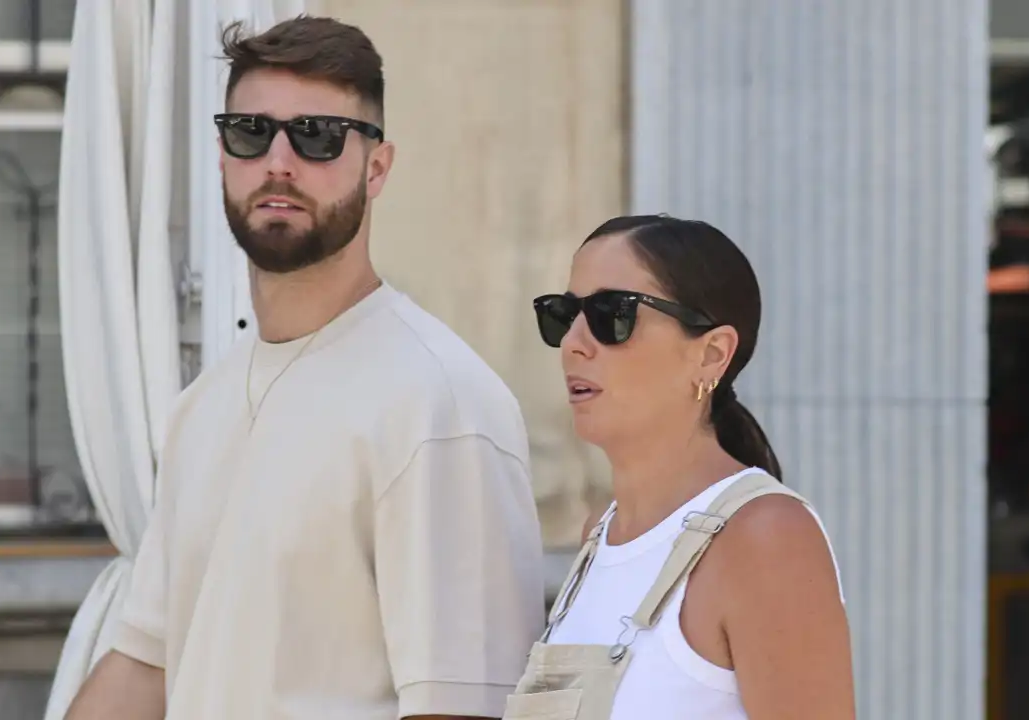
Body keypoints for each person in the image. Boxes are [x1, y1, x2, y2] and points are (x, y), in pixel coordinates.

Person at [64, 15, 545, 720]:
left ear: (376, 167)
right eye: (251, 133)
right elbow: (145, 665)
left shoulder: (439, 403)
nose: (279, 163)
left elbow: (465, 703)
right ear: (222, 154)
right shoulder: (201, 410)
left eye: (317, 137)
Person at [506, 215, 854, 720]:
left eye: (612, 314)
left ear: (712, 354)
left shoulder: (764, 538)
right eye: (564, 314)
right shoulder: (598, 536)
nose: (574, 343)